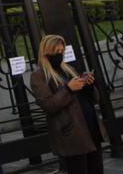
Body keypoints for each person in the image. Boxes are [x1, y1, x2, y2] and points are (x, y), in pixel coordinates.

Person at [30, 34, 104, 174]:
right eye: (56, 52)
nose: (60, 55)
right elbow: (48, 105)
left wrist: (88, 86)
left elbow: (95, 98)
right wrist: (69, 89)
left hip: (90, 127)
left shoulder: (69, 69)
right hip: (72, 134)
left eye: (62, 51)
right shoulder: (39, 75)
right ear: (46, 52)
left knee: (97, 169)